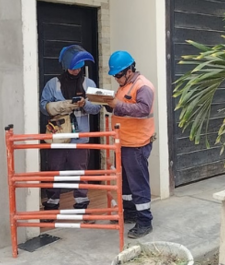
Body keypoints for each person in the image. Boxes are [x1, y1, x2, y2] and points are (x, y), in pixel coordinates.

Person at [40, 45, 101, 215]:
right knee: (54, 169)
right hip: (58, 136)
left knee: (79, 171)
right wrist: (60, 106)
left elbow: (97, 108)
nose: (76, 71)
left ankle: (81, 204)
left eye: (79, 67)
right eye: (73, 67)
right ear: (66, 66)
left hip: (80, 138)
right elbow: (43, 106)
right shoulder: (53, 84)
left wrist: (85, 104)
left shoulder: (89, 84)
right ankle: (52, 203)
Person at [106, 50, 155, 239]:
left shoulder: (143, 86)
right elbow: (122, 107)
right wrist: (108, 103)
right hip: (125, 142)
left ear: (129, 70)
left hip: (137, 144)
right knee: (126, 183)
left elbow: (142, 110)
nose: (116, 78)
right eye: (114, 76)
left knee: (138, 183)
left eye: (118, 74)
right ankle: (130, 213)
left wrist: (116, 104)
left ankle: (145, 222)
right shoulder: (125, 85)